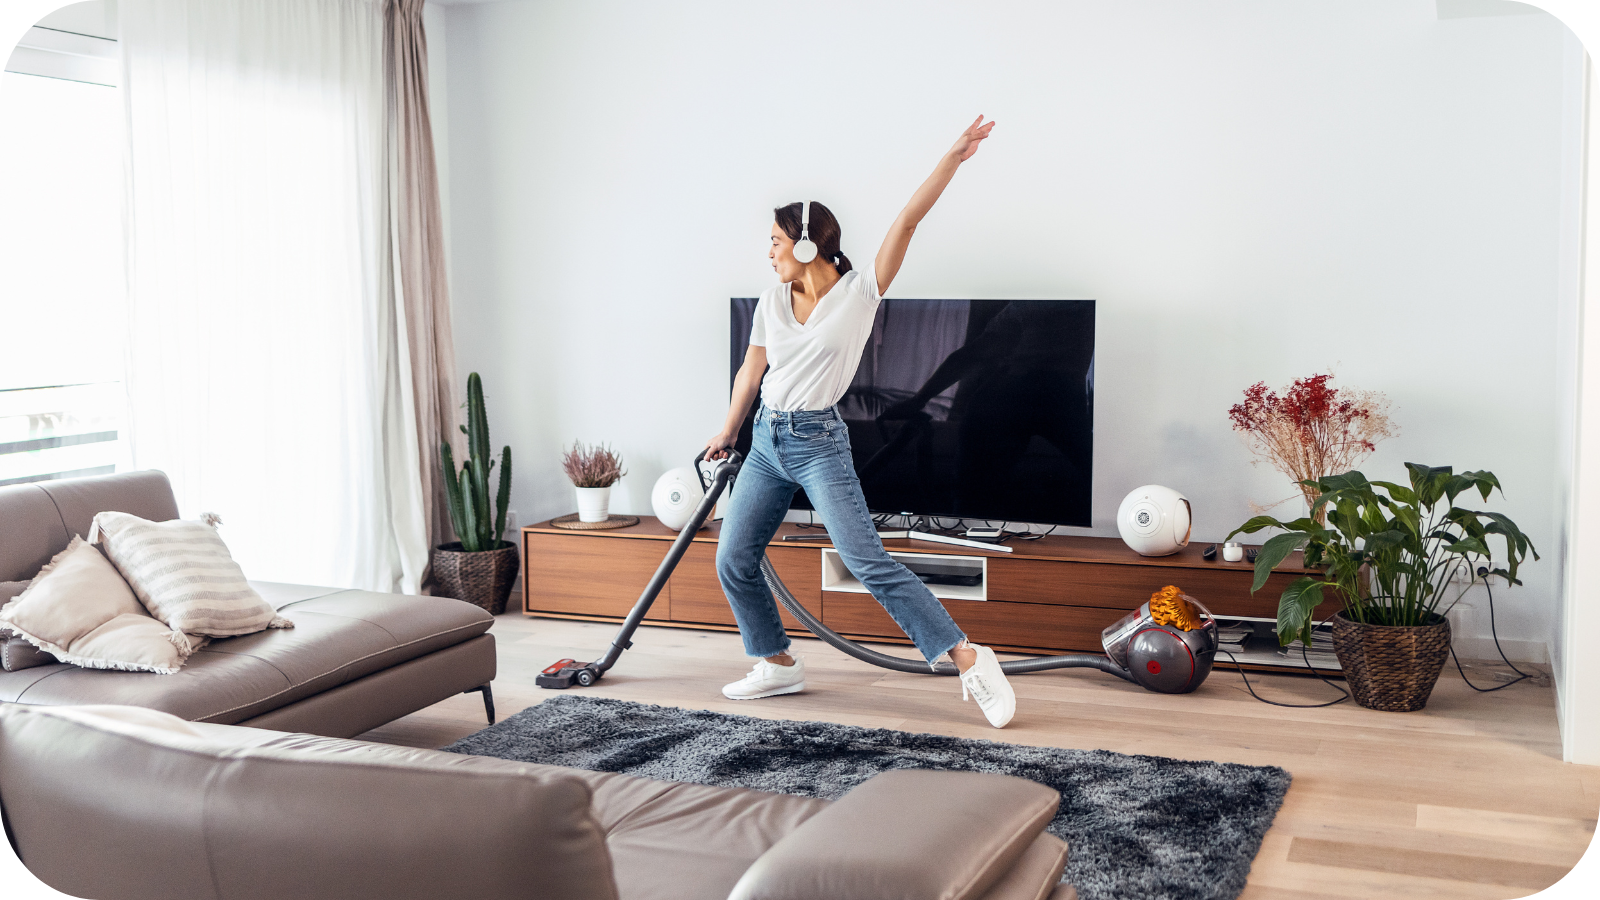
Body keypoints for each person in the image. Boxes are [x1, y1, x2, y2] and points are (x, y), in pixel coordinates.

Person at [704, 116, 1017, 728]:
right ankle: (776, 662)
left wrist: (952, 158)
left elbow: (906, 221)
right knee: (734, 557)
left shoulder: (861, 292)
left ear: (801, 243)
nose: (766, 252)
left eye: (773, 240)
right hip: (768, 438)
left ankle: (970, 657)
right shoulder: (771, 300)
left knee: (866, 559)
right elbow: (751, 371)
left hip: (820, 442)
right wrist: (727, 429)